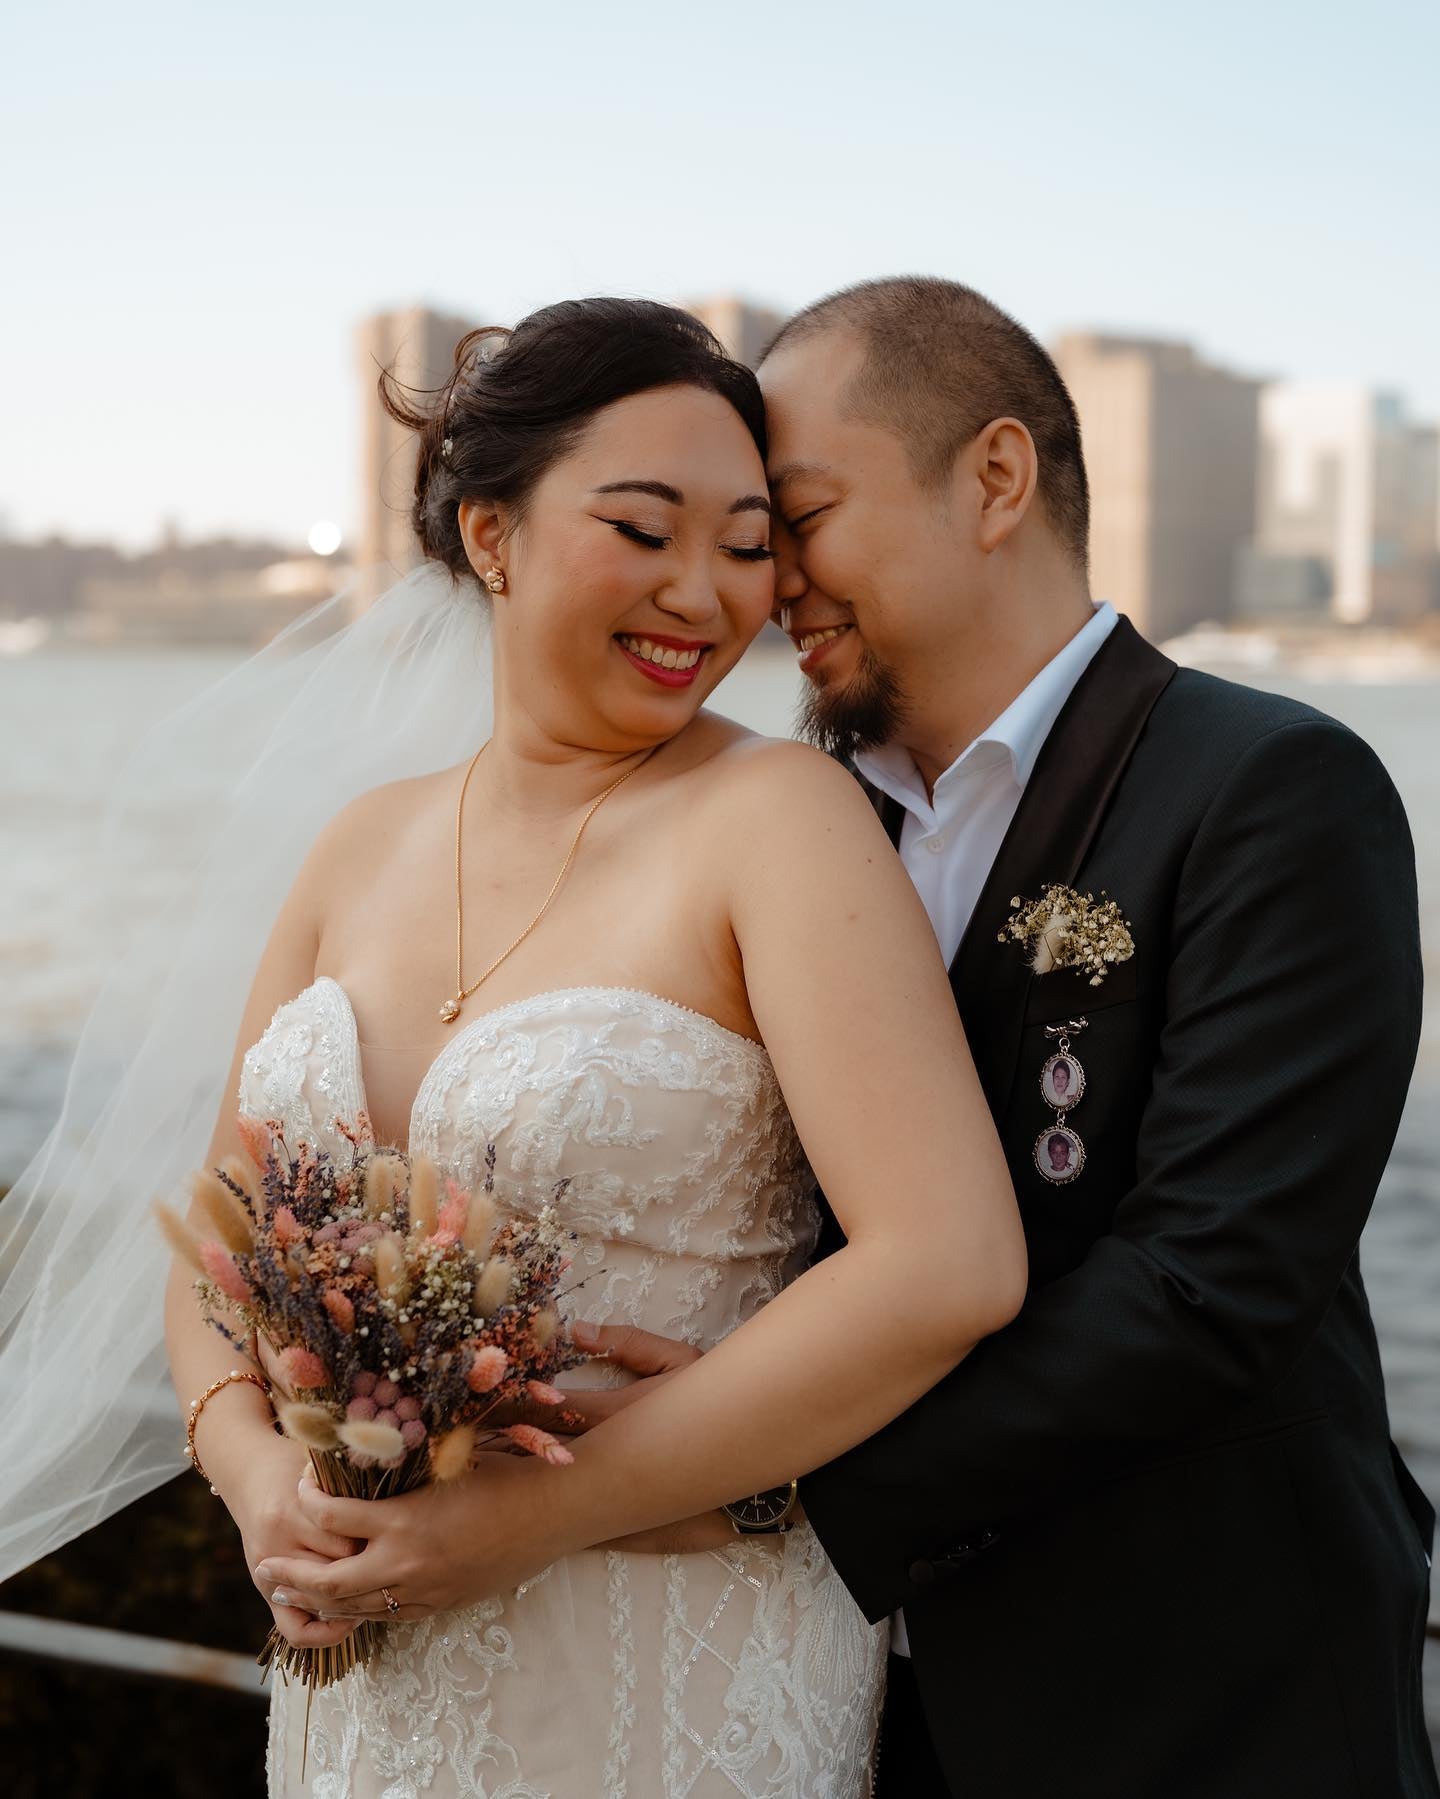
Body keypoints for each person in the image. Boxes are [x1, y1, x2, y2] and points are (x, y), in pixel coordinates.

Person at [314, 277, 1436, 1799]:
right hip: (828, 1704)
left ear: (994, 480)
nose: (765, 589)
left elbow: (1213, 1284)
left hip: (1186, 1684)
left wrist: (758, 1487)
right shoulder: (786, 812)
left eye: (792, 521)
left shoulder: (1270, 789)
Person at [165, 298, 1026, 1795]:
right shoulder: (358, 846)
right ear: (490, 537)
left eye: (750, 544)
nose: (703, 593)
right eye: (644, 530)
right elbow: (215, 1247)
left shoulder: (780, 822)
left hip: (664, 1655)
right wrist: (261, 1490)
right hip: (362, 1672)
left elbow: (947, 1263)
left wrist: (532, 1516)